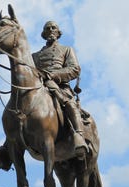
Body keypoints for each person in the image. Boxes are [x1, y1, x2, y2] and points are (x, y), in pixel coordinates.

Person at [32, 21, 88, 158]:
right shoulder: (34, 56)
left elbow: (75, 69)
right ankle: (7, 148)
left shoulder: (66, 50)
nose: (50, 30)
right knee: (20, 107)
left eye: (53, 28)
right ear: (44, 34)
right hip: (38, 87)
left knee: (69, 104)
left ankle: (79, 136)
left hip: (60, 86)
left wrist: (52, 75)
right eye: (47, 28)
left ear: (58, 32)